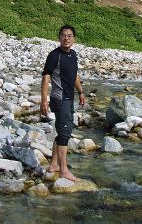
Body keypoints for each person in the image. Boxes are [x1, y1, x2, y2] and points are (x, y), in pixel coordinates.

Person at [40, 25, 85, 181]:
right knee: (65, 134)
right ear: (59, 38)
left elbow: (74, 75)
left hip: (69, 98)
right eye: (64, 35)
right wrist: (43, 100)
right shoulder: (54, 55)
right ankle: (64, 170)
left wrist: (80, 92)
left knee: (62, 131)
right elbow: (46, 77)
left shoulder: (73, 55)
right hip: (59, 99)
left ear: (74, 39)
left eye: (70, 36)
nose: (66, 38)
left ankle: (53, 165)